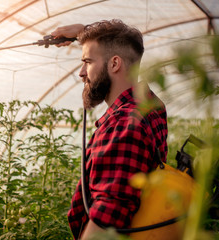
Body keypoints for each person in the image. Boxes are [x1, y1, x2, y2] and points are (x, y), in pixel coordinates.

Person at [51, 19, 168, 239]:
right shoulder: (151, 105)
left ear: (114, 64)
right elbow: (112, 46)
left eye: (87, 62)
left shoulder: (122, 123)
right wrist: (82, 33)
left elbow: (109, 217)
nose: (81, 73)